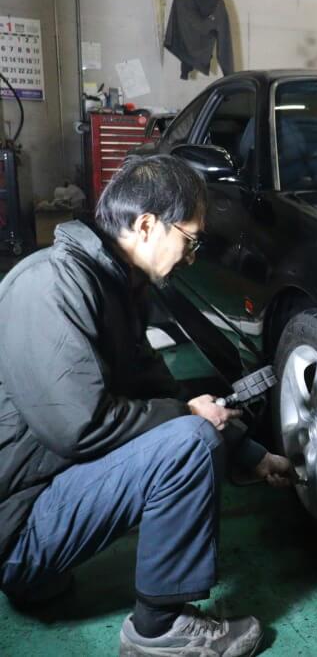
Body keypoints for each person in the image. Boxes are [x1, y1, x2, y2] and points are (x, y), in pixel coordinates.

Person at [0, 155, 297, 656]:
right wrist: (190, 418)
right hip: (15, 525)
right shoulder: (49, 284)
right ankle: (159, 630)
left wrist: (253, 455)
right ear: (145, 225)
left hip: (37, 500)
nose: (192, 257)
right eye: (190, 240)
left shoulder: (118, 289)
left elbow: (160, 392)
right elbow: (79, 427)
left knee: (185, 426)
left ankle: (37, 572)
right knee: (189, 442)